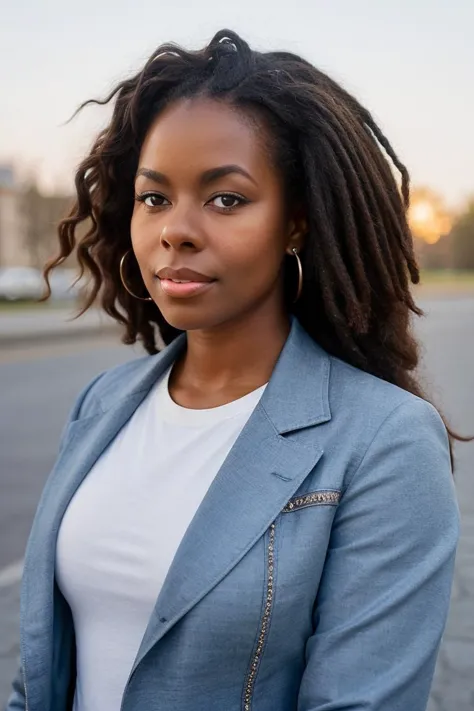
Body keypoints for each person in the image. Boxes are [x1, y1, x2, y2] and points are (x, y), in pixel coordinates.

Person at [6, 29, 463, 711]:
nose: (176, 230)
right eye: (154, 198)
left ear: (296, 224)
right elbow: (37, 678)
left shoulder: (386, 440)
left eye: (226, 199)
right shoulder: (102, 404)